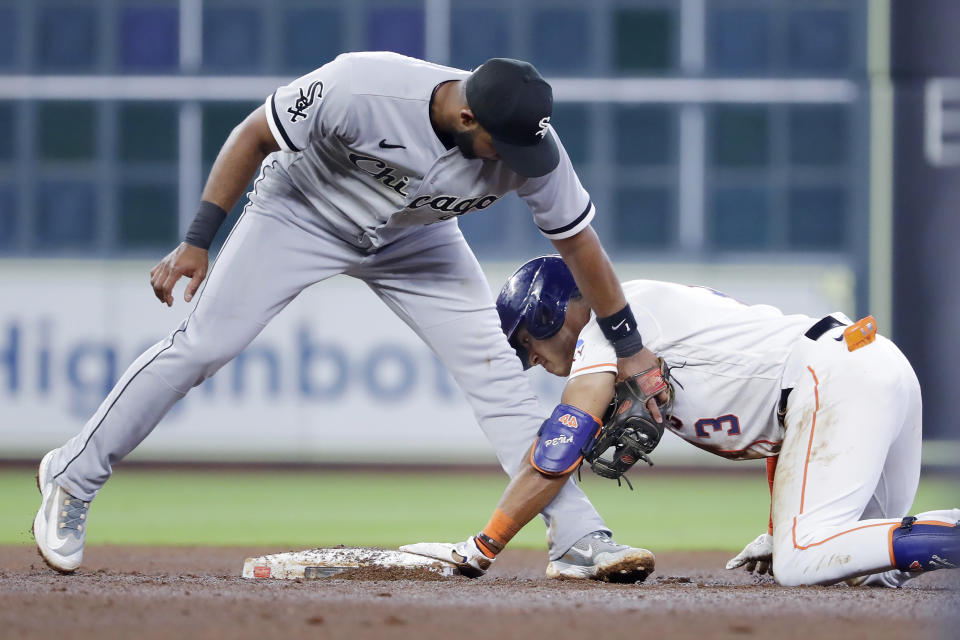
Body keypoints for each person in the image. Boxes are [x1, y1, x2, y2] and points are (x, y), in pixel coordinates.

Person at [32, 54, 666, 578]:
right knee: (200, 348)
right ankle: (72, 474)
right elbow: (254, 135)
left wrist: (628, 345)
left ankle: (578, 538)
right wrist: (199, 238)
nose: (519, 161)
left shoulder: (532, 143)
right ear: (466, 113)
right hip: (299, 212)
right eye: (505, 146)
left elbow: (580, 245)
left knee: (497, 375)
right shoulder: (362, 86)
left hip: (416, 238)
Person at [403, 256, 959, 586]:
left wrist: (484, 545)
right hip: (868, 365)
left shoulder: (605, 327)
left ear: (551, 312)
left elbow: (557, 448)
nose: (535, 363)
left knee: (803, 560)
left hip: (834, 377)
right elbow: (785, 422)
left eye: (529, 343)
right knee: (856, 565)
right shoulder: (633, 320)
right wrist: (779, 521)